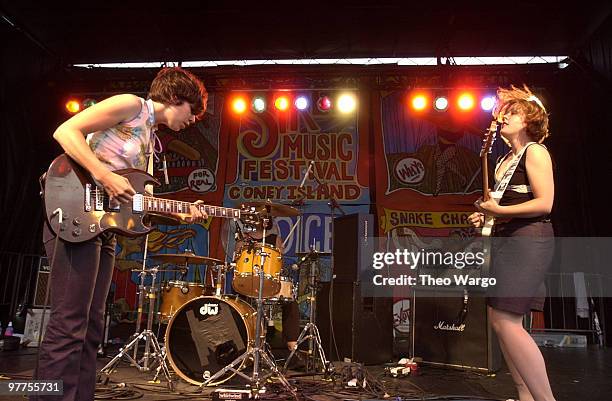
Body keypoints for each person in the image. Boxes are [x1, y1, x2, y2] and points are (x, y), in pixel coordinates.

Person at [36, 67, 209, 401]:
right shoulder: (132, 106)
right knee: (69, 322)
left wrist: (181, 210)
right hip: (74, 215)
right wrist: (104, 174)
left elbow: (135, 201)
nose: (194, 119)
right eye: (193, 110)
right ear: (175, 97)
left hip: (103, 229)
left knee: (90, 327)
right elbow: (66, 131)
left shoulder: (150, 140)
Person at [469, 85, 556, 401]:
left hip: (529, 240)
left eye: (512, 112)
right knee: (499, 320)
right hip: (508, 239)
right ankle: (525, 396)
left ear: (529, 119)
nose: (503, 117)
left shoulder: (535, 151)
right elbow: (505, 207)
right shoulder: (504, 159)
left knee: (507, 321)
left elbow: (545, 203)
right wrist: (487, 217)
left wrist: (500, 210)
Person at [233, 218, 300, 353]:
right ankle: (242, 345)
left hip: (269, 282)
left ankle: (293, 348)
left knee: (291, 303)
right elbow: (237, 261)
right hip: (249, 282)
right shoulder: (243, 238)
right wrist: (241, 245)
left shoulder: (275, 239)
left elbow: (278, 264)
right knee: (237, 302)